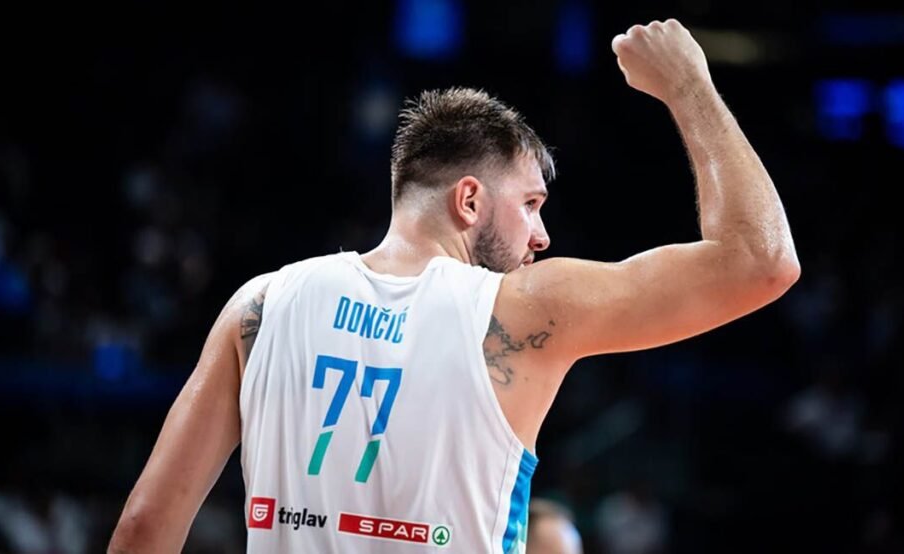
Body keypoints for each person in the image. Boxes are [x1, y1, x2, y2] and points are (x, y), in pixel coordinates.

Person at [108, 18, 800, 553]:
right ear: (469, 201)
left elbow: (142, 529)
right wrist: (690, 86)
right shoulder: (522, 312)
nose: (542, 236)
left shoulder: (259, 306)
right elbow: (762, 261)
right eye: (530, 203)